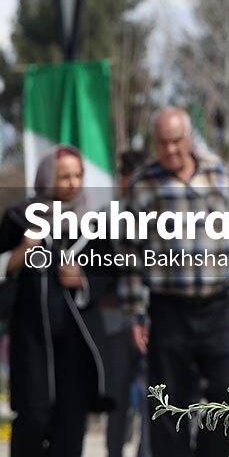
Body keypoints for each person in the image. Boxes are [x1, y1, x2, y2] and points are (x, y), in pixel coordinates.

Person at [119, 108, 229, 457]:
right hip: (169, 309)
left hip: (218, 305)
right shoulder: (144, 184)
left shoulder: (216, 173)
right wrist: (136, 313)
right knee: (168, 405)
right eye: (163, 143)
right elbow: (129, 253)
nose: (170, 150)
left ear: (189, 138)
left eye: (176, 141)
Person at [0, 146, 116, 457]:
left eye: (78, 175)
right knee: (33, 417)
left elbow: (109, 272)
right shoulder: (18, 218)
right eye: (63, 176)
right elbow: (3, 268)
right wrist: (24, 248)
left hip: (77, 344)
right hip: (32, 340)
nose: (72, 182)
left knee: (70, 423)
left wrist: (83, 280)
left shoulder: (94, 225)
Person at [105, 148, 149, 457]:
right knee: (118, 398)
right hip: (117, 321)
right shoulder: (108, 218)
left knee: (153, 397)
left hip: (153, 318)